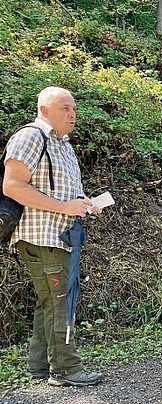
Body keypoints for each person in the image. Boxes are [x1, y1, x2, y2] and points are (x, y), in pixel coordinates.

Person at [2, 86, 104, 387]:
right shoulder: (31, 137)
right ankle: (65, 369)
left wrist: (84, 203)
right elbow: (13, 186)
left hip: (61, 235)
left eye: (73, 109)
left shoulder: (64, 145)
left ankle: (39, 366)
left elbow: (64, 192)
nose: (72, 114)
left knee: (50, 301)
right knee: (62, 302)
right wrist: (64, 207)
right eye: (65, 108)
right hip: (41, 236)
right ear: (45, 110)